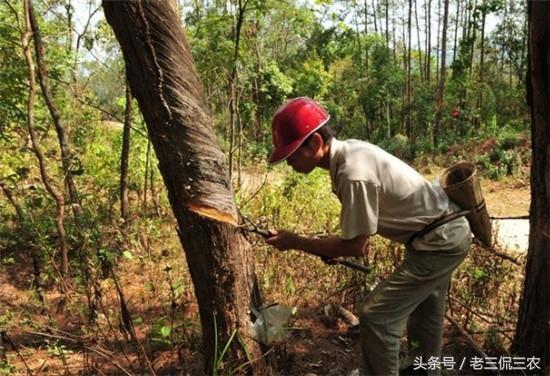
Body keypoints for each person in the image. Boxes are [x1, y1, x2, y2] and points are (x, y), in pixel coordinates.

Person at [265, 97, 471, 376]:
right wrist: (323, 246)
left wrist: (297, 242)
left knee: (377, 316)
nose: (289, 162)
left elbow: (356, 246)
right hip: (439, 235)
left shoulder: (353, 174)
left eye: (291, 154)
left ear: (315, 142)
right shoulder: (350, 154)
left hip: (439, 242)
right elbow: (357, 236)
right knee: (425, 316)